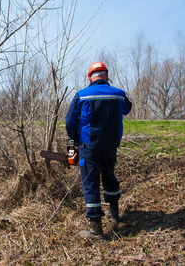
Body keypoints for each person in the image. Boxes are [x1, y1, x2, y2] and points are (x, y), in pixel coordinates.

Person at [65, 61, 132, 239]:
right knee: (109, 176)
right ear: (107, 76)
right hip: (111, 146)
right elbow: (127, 109)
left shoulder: (82, 95)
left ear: (89, 77)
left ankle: (96, 229)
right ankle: (114, 214)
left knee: (91, 185)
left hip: (89, 146)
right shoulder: (119, 94)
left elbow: (69, 121)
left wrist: (75, 140)